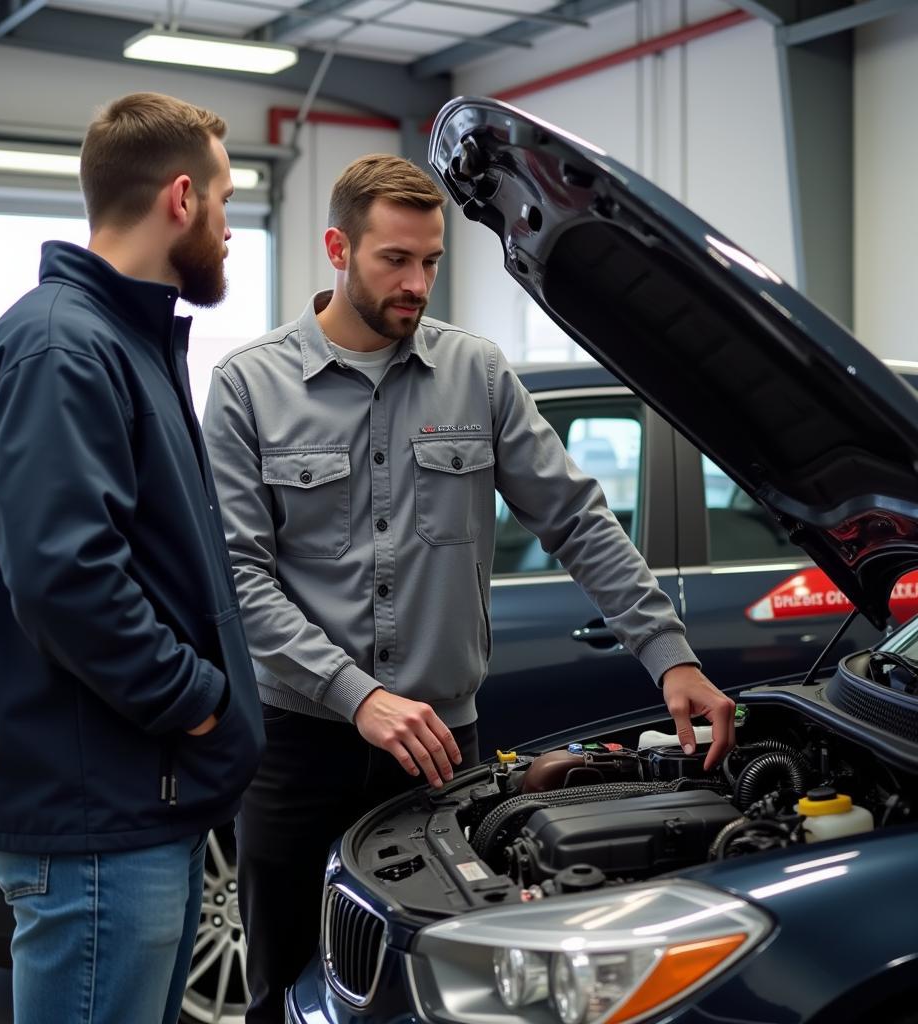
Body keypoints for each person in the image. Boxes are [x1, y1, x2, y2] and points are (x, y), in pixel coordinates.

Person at [201, 154, 736, 1024]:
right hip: (297, 748)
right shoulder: (248, 386)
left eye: (431, 262)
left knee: (449, 994)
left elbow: (577, 520)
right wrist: (358, 695)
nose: (417, 283)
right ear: (338, 248)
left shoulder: (476, 375)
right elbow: (239, 578)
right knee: (286, 992)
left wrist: (668, 654)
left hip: (443, 750)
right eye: (394, 260)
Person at [0, 92, 264, 1024]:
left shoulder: (121, 341)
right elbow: (67, 580)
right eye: (224, 200)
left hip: (132, 803)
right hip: (97, 819)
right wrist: (198, 704)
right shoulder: (64, 348)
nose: (230, 227)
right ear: (180, 198)